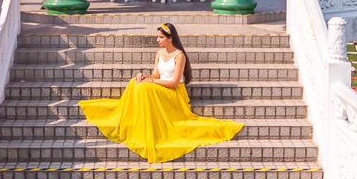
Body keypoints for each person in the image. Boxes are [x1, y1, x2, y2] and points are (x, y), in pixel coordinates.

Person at [79, 23, 243, 163]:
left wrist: (152, 82)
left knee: (144, 87)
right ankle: (136, 117)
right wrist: (144, 76)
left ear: (170, 38)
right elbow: (156, 75)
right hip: (159, 86)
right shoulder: (159, 53)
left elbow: (173, 82)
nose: (157, 40)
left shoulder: (179, 56)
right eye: (157, 37)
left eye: (160, 37)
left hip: (173, 92)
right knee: (134, 82)